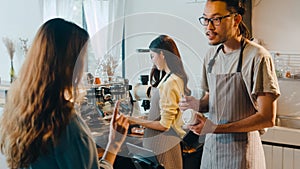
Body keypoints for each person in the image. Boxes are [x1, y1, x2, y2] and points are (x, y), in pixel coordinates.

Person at [0, 18, 129, 169]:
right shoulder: (68, 127)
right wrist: (114, 145)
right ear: (71, 65)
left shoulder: (19, 112)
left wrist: (112, 144)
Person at [179, 0, 280, 168]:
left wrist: (216, 128)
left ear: (236, 20)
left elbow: (267, 118)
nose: (208, 27)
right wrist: (197, 104)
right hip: (211, 154)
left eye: (216, 19)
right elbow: (211, 99)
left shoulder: (257, 57)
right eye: (205, 19)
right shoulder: (211, 56)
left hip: (241, 156)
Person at [129, 35, 191, 169]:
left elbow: (164, 125)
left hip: (163, 144)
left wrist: (134, 120)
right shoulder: (169, 78)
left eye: (152, 56)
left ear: (162, 54)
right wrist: (145, 118)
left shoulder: (170, 82)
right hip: (159, 143)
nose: (152, 61)